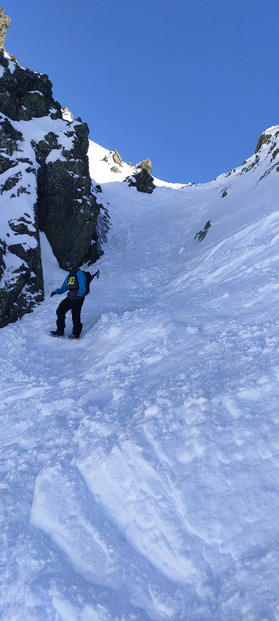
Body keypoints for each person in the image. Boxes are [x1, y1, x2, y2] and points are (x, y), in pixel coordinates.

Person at [50, 259, 87, 339]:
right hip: (70, 297)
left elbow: (82, 287)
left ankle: (76, 334)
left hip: (77, 298)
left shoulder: (79, 273)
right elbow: (65, 287)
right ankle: (59, 331)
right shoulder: (70, 275)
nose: (68, 268)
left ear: (73, 265)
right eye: (67, 267)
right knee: (60, 310)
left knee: (75, 315)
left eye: (69, 266)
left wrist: (79, 296)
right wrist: (57, 292)